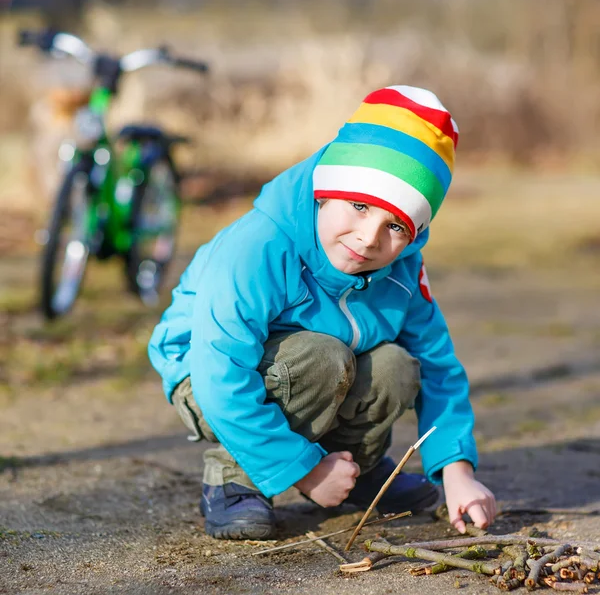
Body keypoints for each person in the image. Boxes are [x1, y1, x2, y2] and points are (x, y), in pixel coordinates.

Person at [148, 85, 496, 540]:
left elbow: (438, 367)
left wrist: (456, 469)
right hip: (204, 374)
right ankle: (235, 479)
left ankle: (358, 469)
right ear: (324, 193)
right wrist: (304, 472)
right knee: (321, 358)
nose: (369, 239)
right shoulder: (258, 248)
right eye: (358, 205)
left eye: (395, 226)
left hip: (304, 369)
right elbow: (220, 368)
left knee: (394, 366)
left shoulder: (402, 271)